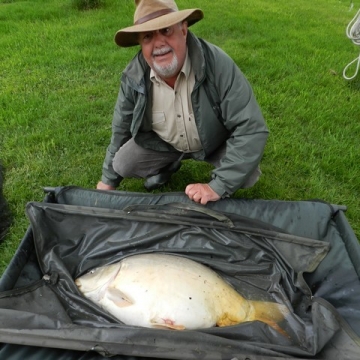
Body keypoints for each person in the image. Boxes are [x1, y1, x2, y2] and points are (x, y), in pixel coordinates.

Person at [97, 0, 269, 205]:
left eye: (166, 30)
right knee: (122, 163)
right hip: (164, 144)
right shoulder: (133, 77)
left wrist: (217, 187)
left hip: (214, 143)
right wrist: (107, 182)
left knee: (248, 174)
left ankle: (220, 175)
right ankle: (167, 166)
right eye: (148, 36)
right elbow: (121, 128)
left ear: (184, 29)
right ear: (141, 44)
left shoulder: (217, 64)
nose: (159, 44)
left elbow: (251, 128)